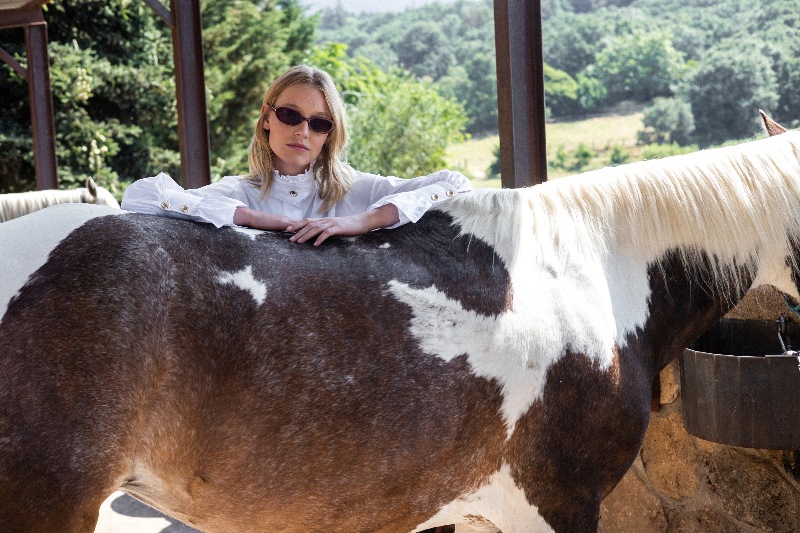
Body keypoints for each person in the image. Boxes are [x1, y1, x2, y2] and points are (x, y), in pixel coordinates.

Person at [121, 65, 472, 246]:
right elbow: (140, 196)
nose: (303, 131)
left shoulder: (358, 190)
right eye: (290, 115)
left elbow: (455, 183)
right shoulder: (238, 193)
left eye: (319, 123)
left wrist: (361, 221)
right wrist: (255, 218)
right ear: (267, 117)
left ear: (330, 135)